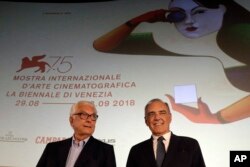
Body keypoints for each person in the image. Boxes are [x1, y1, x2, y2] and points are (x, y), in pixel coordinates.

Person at [93, 0, 250, 124]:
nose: (189, 21)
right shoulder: (169, 42)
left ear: (223, 8)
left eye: (200, 12)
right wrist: (138, 20)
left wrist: (215, 119)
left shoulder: (235, 34)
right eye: (179, 15)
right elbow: (102, 46)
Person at [126, 98, 205, 167]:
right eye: (151, 114)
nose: (157, 117)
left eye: (162, 113)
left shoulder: (190, 145)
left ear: (170, 117)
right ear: (146, 121)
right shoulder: (136, 151)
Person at [36, 100, 116, 167]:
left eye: (93, 116)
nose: (89, 120)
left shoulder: (106, 151)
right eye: (84, 115)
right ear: (71, 120)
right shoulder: (52, 148)